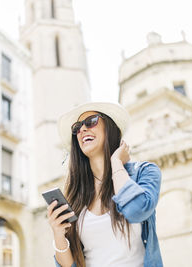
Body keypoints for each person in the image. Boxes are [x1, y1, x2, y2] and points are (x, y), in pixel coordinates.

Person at [47, 102, 163, 267]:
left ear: (109, 127)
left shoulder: (144, 173)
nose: (82, 130)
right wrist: (58, 234)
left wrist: (116, 163)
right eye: (77, 127)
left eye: (91, 121)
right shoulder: (75, 194)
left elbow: (136, 210)